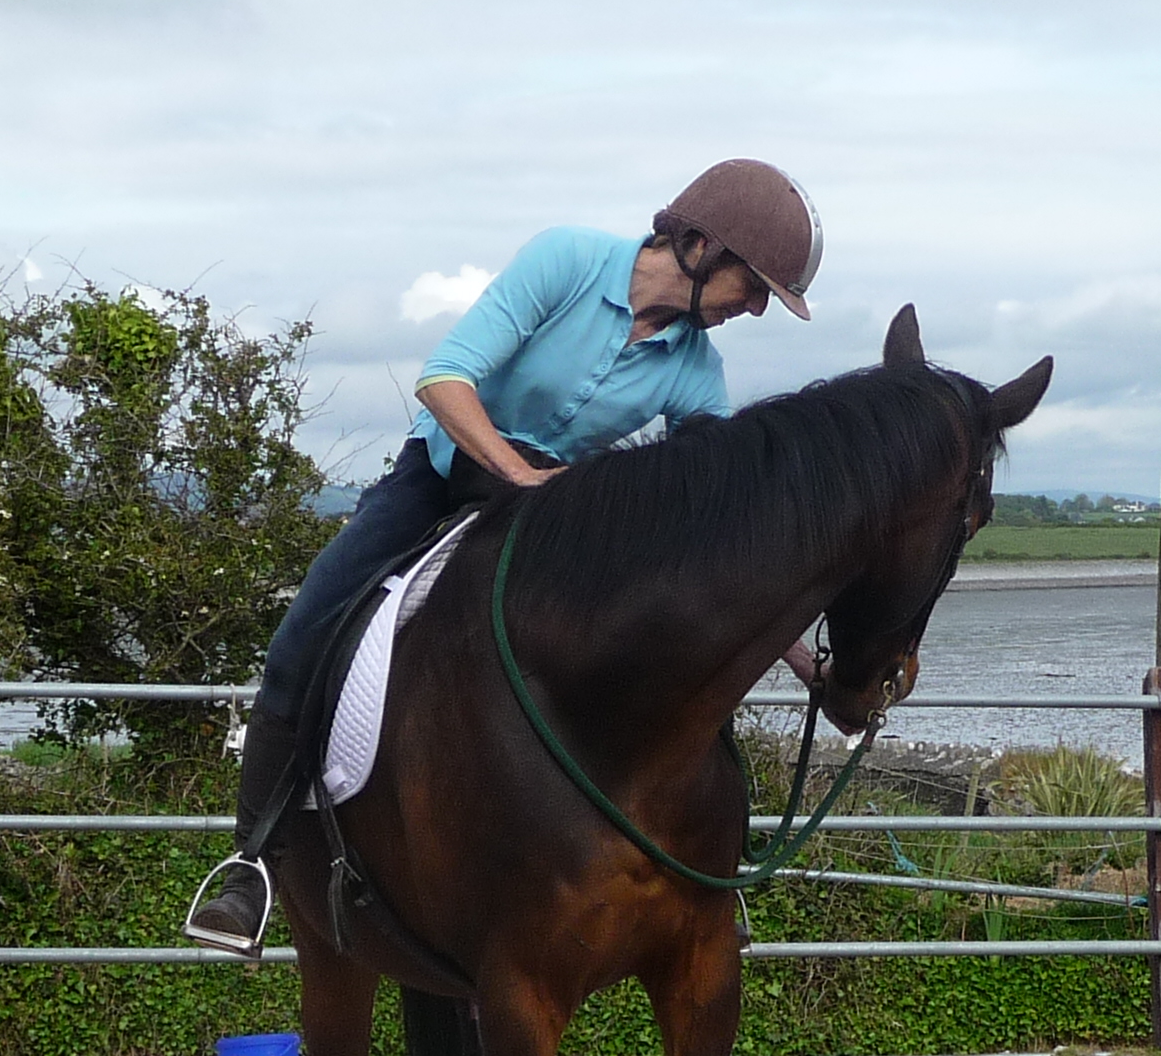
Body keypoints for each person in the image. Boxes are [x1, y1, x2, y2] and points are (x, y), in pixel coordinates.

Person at [184, 158, 825, 954]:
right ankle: (252, 864)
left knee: (660, 647)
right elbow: (444, 379)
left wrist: (795, 652)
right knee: (306, 630)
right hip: (443, 475)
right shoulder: (565, 260)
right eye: (755, 286)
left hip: (559, 518)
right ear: (699, 246)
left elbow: (717, 530)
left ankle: (691, 872)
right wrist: (518, 474)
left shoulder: (698, 370)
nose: (755, 308)